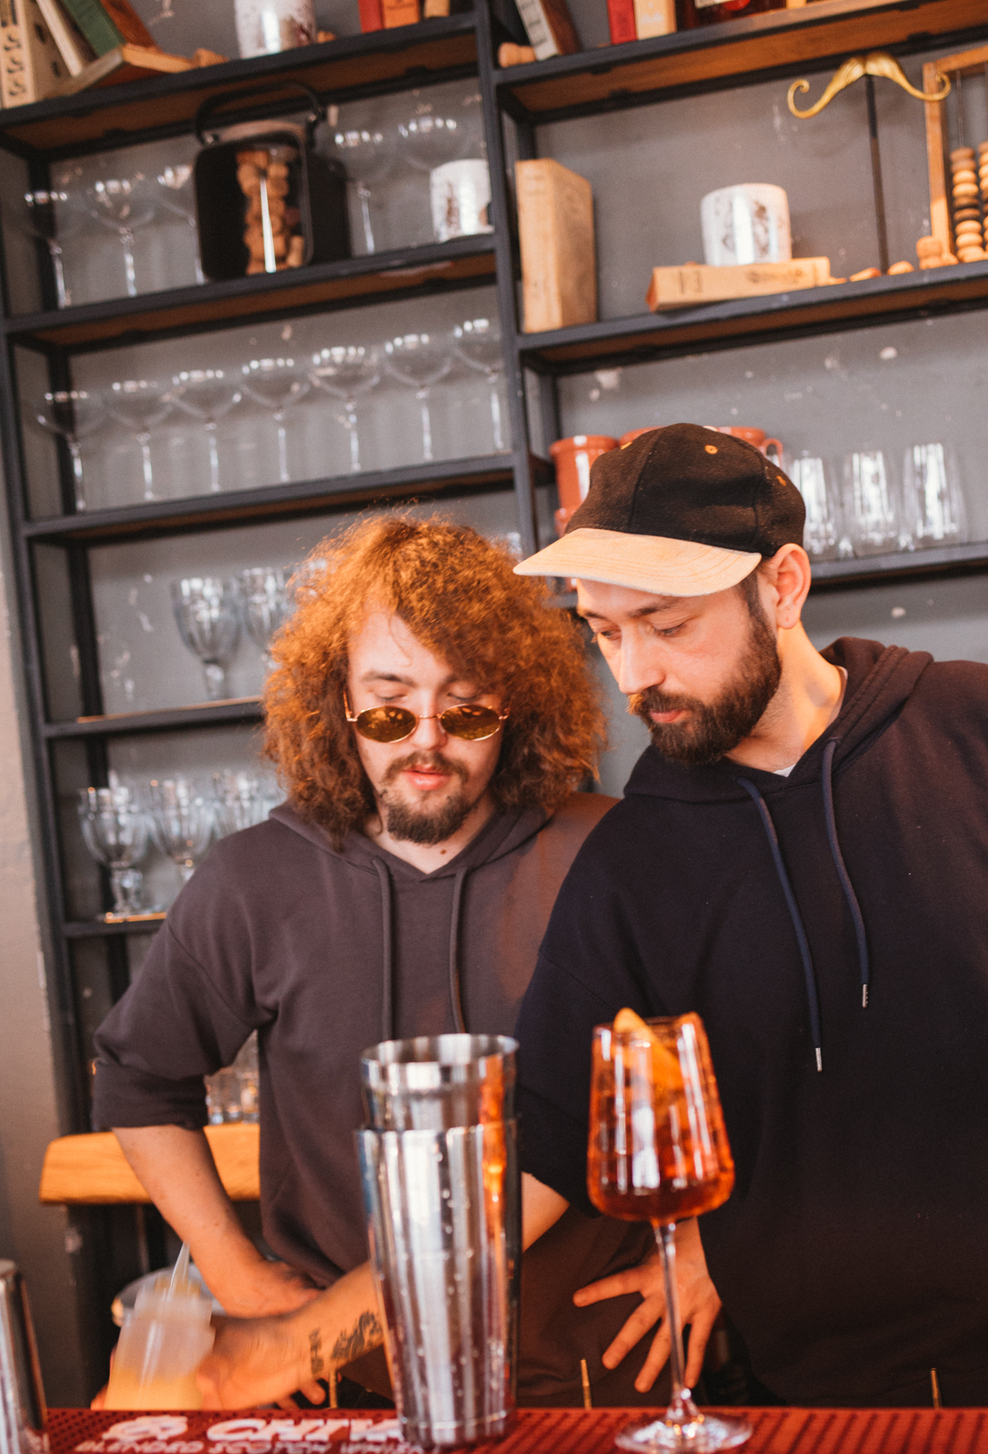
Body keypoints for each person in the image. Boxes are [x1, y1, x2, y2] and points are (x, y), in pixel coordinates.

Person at [498, 423, 988, 1411]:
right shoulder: (628, 865)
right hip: (847, 1401)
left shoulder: (981, 720)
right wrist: (371, 1299)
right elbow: (548, 1137)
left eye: (666, 626)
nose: (633, 675)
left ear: (781, 585)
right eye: (605, 631)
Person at [94, 511, 664, 1408]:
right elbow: (138, 1081)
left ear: (515, 709)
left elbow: (733, 1070)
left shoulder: (609, 854)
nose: (426, 740)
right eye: (391, 707)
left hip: (588, 1381)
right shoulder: (256, 879)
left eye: (464, 708)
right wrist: (236, 1274)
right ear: (341, 705)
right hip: (344, 1386)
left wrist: (703, 1255)